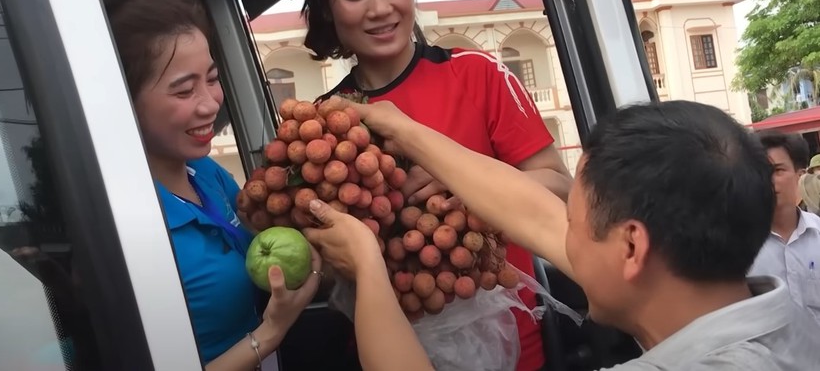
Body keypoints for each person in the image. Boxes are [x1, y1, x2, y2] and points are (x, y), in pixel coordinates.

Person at [304, 98, 820, 370]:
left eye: (574, 222)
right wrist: (407, 133)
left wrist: (369, 268)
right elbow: (533, 214)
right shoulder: (782, 319)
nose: (561, 233)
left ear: (632, 247)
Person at [301, 0, 572, 369]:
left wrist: (467, 184)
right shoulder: (325, 123)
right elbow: (325, 251)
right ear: (328, 9)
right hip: (386, 347)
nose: (380, 7)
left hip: (515, 348)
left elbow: (560, 187)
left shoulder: (478, 74)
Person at [108, 0, 321, 369]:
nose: (210, 104)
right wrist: (270, 332)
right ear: (125, 100)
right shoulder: (130, 224)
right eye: (184, 89)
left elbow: (261, 239)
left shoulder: (206, 173)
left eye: (212, 79)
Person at [751, 131, 820, 325]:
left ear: (800, 175)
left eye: (777, 170)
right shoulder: (740, 244)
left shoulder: (818, 234)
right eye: (760, 171)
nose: (768, 180)